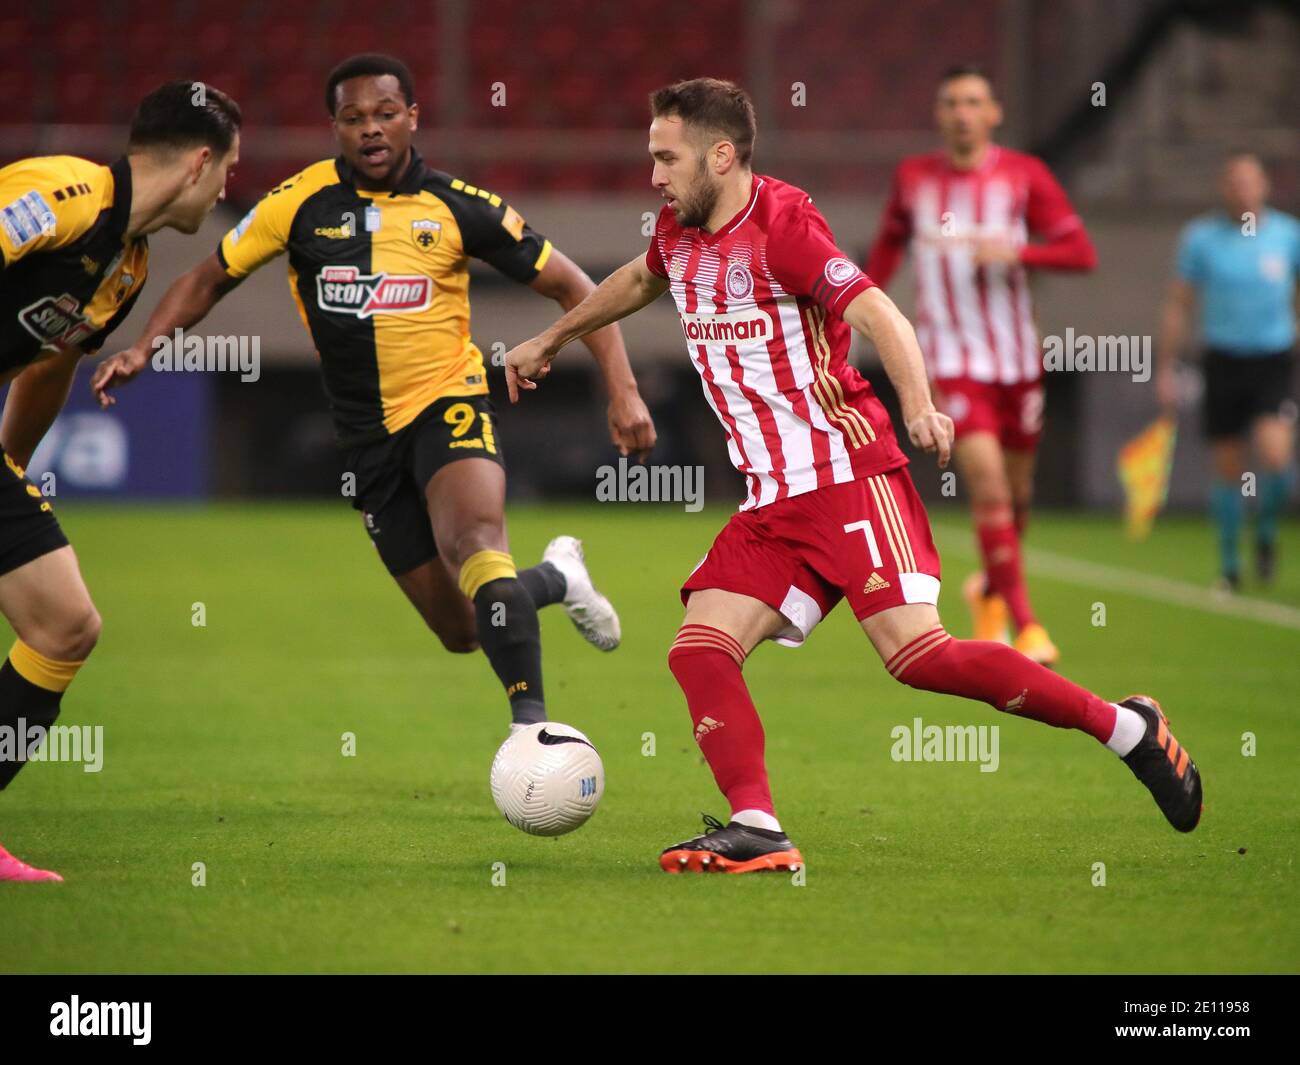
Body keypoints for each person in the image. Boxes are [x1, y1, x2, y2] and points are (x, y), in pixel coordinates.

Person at [505, 78, 1201, 874]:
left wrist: (921, 406)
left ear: (721, 155)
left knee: (919, 657)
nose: (655, 175)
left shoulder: (785, 226)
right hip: (773, 505)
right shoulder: (679, 228)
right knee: (699, 649)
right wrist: (552, 337)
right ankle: (758, 825)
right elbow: (639, 277)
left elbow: (880, 314)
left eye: (667, 158)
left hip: (846, 476)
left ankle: (1126, 728)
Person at [92, 54, 654, 738]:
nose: (372, 131)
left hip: (450, 403)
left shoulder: (457, 206)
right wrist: (147, 341)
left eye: (386, 114)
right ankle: (558, 578)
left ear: (413, 117)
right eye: (354, 118)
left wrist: (620, 393)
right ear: (335, 127)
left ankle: (533, 736)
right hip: (364, 439)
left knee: (478, 542)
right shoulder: (297, 203)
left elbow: (574, 284)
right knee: (462, 627)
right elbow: (208, 277)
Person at [0, 80, 242, 882]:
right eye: (229, 171)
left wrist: (10, 466)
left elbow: (45, 367)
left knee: (65, 623)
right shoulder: (60, 193)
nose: (227, 191)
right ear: (200, 163)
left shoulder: (127, 268)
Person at [866, 65, 1097, 664]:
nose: (962, 113)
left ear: (993, 113)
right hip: (950, 358)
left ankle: (989, 591)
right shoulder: (914, 179)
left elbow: (1080, 251)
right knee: (990, 487)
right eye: (951, 103)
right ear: (939, 115)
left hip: (1017, 359)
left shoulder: (1025, 175)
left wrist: (1017, 250)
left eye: (973, 102)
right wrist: (856, 308)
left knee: (1018, 496)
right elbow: (889, 244)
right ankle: (1028, 623)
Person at [1157, 152, 1298, 590]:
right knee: (1228, 467)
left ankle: (1268, 532)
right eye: (1234, 182)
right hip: (1221, 360)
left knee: (1275, 458)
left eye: (1250, 181)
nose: (1243, 190)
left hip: (1272, 359)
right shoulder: (1201, 238)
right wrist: (1165, 365)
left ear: (1264, 186)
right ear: (1224, 188)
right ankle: (1231, 565)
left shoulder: (1288, 235)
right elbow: (1179, 304)